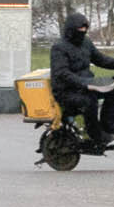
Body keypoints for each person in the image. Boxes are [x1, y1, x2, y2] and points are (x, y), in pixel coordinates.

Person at [49, 12, 114, 150]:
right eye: (80, 30)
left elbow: (100, 59)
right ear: (71, 30)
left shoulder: (86, 43)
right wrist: (85, 83)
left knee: (112, 89)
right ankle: (95, 135)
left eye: (85, 30)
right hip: (65, 91)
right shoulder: (59, 48)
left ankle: (107, 126)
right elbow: (62, 73)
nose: (83, 33)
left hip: (86, 85)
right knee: (89, 100)